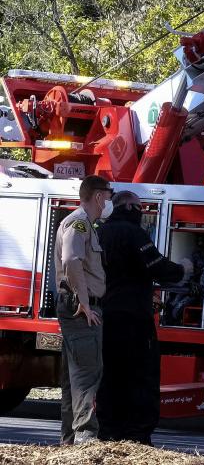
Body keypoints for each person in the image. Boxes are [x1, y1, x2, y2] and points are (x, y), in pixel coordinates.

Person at [97, 190, 193, 445]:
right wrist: (184, 270)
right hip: (133, 317)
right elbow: (158, 267)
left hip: (106, 314)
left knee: (110, 375)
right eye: (140, 208)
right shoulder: (133, 232)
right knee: (141, 374)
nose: (142, 212)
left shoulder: (100, 232)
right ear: (129, 207)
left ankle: (109, 431)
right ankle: (137, 435)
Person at [54, 174, 113, 445]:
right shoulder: (79, 223)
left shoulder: (85, 224)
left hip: (75, 307)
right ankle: (85, 441)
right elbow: (71, 259)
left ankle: (69, 441)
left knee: (74, 378)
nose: (110, 201)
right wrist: (86, 303)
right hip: (80, 310)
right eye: (109, 195)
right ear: (98, 196)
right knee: (87, 375)